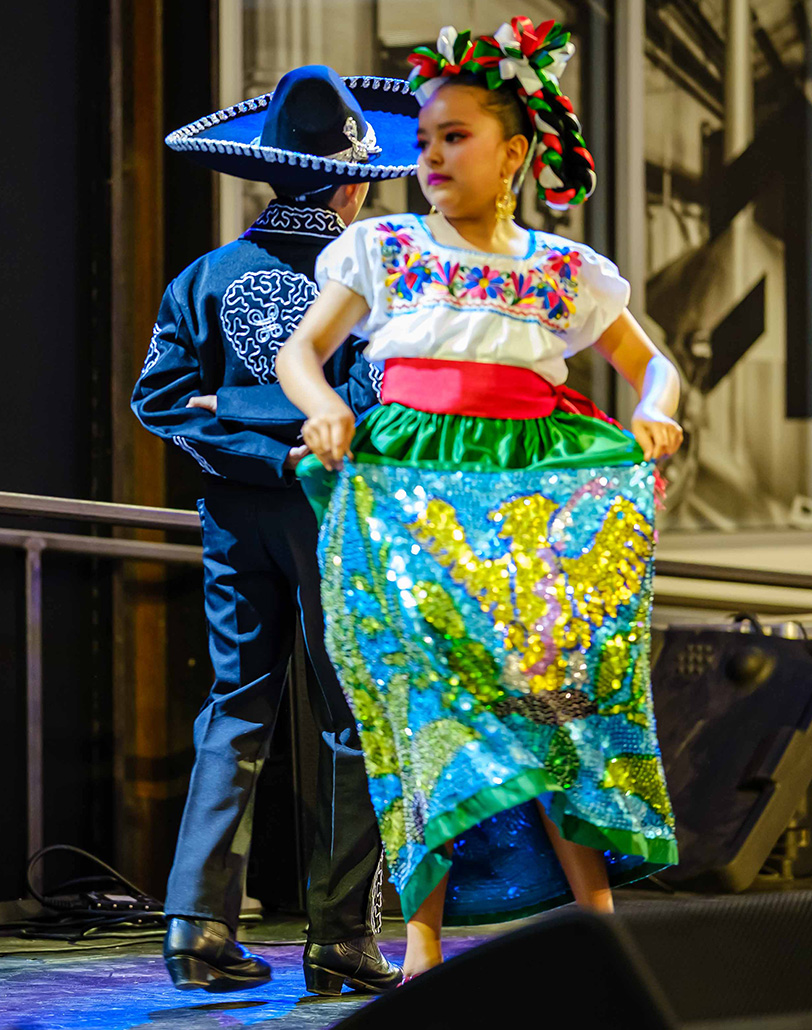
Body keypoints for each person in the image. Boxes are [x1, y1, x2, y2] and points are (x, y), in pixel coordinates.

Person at [275, 19, 683, 981]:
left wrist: (658, 410)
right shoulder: (381, 248)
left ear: (517, 153)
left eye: (454, 136)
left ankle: (600, 925)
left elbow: (649, 362)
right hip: (410, 497)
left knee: (556, 702)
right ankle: (423, 947)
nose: (431, 158)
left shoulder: (561, 270)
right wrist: (327, 405)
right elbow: (302, 351)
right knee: (424, 710)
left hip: (531, 502)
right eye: (423, 142)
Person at [131, 65, 418, 995]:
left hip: (230, 511)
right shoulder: (364, 284)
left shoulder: (204, 276)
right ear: (349, 182)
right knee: (347, 721)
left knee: (236, 705)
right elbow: (382, 404)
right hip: (333, 510)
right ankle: (340, 936)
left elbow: (160, 399)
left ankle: (196, 925)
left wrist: (240, 417)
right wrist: (298, 438)